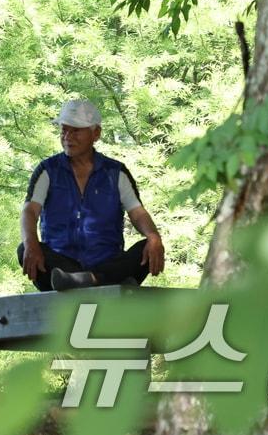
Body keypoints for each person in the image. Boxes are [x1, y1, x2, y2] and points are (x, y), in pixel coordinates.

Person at [18, 97, 165, 292]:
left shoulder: (115, 172)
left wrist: (154, 237)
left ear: (96, 133)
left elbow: (137, 213)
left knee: (149, 245)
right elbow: (29, 211)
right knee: (24, 248)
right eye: (64, 130)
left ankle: (91, 280)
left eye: (76, 130)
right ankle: (108, 282)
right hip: (61, 268)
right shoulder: (48, 170)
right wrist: (31, 244)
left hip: (107, 262)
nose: (68, 136)